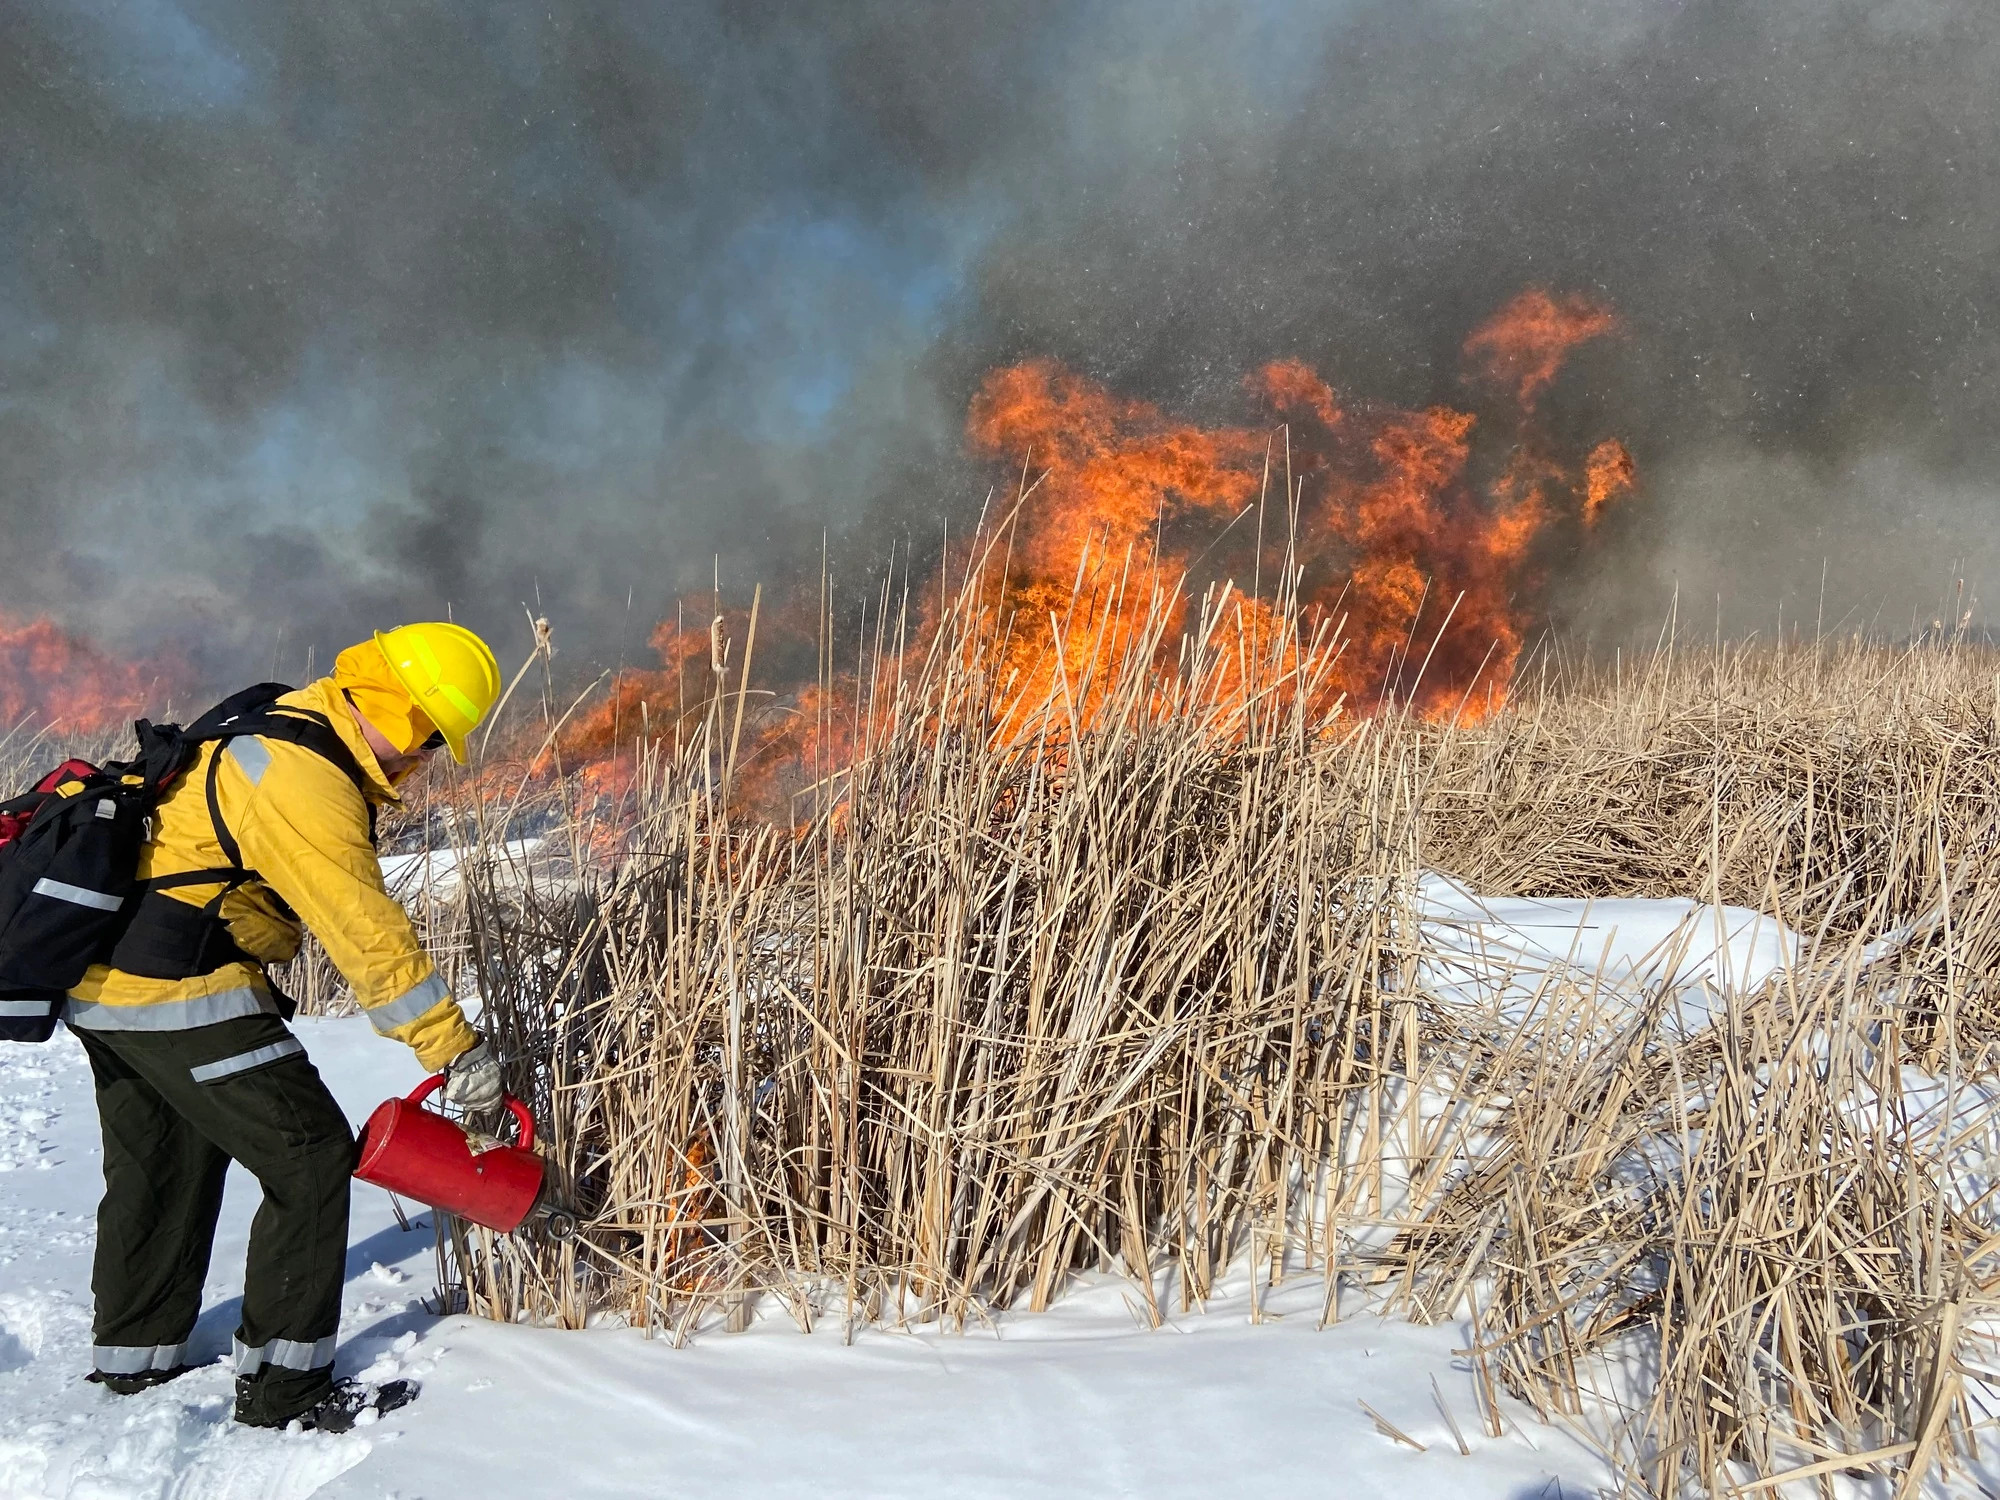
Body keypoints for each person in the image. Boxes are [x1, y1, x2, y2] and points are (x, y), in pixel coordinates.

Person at [65, 622, 506, 1430]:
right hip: (179, 986)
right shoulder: (300, 774)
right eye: (427, 733)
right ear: (390, 706)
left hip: (107, 983)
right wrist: (455, 1048)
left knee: (165, 1161)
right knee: (307, 1158)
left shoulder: (277, 721)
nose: (425, 757)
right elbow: (362, 927)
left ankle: (136, 1360)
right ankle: (285, 1391)